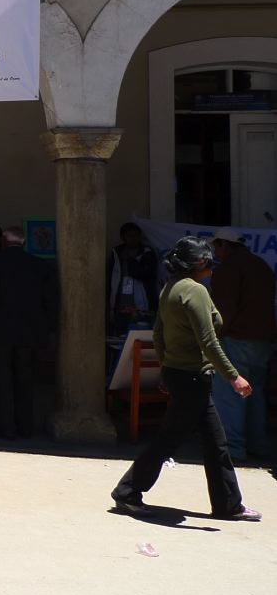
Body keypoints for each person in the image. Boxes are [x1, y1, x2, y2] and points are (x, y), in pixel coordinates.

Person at [111, 237, 261, 522]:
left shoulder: (171, 288)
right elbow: (209, 342)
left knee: (214, 443)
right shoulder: (195, 291)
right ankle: (127, 491)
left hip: (183, 375)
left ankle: (228, 505)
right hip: (192, 377)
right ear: (200, 263)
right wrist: (234, 377)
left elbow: (158, 334)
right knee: (171, 440)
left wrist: (166, 369)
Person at [208, 228, 276, 462]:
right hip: (263, 340)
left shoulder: (228, 269)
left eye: (217, 247)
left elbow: (224, 309)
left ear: (224, 245)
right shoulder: (261, 266)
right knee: (254, 394)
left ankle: (232, 448)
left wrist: (215, 337)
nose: (215, 252)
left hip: (237, 338)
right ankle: (257, 444)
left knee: (229, 393)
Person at [0, 227, 56, 439]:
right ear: (23, 243)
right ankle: (26, 426)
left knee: (3, 379)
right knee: (25, 379)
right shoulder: (39, 266)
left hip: (1, 329)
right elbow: (49, 301)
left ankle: (6, 426)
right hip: (30, 331)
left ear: (4, 242)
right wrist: (48, 329)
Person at [107, 222, 159, 335]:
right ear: (123, 237)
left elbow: (143, 273)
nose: (133, 239)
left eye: (136, 235)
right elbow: (110, 278)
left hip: (143, 305)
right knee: (121, 337)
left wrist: (131, 260)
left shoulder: (147, 252)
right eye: (129, 236)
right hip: (121, 305)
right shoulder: (117, 253)